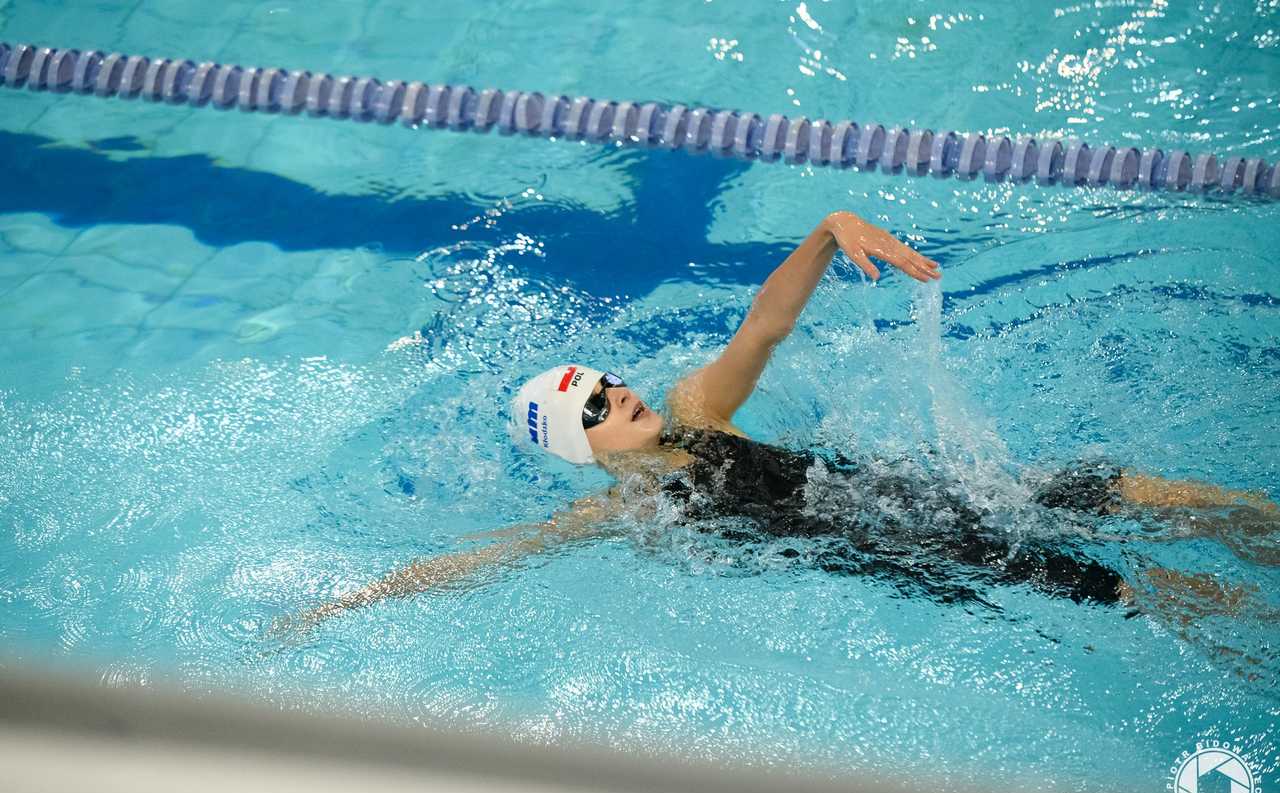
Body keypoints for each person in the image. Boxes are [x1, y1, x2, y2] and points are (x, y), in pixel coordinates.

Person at [282, 211, 1279, 635]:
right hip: (930, 543)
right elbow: (478, 562)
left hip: (941, 487)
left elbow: (762, 323)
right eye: (591, 408)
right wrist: (341, 607)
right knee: (1161, 591)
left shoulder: (697, 410)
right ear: (578, 448)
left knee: (1161, 495)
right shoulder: (634, 514)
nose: (616, 397)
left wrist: (824, 229)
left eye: (608, 382)